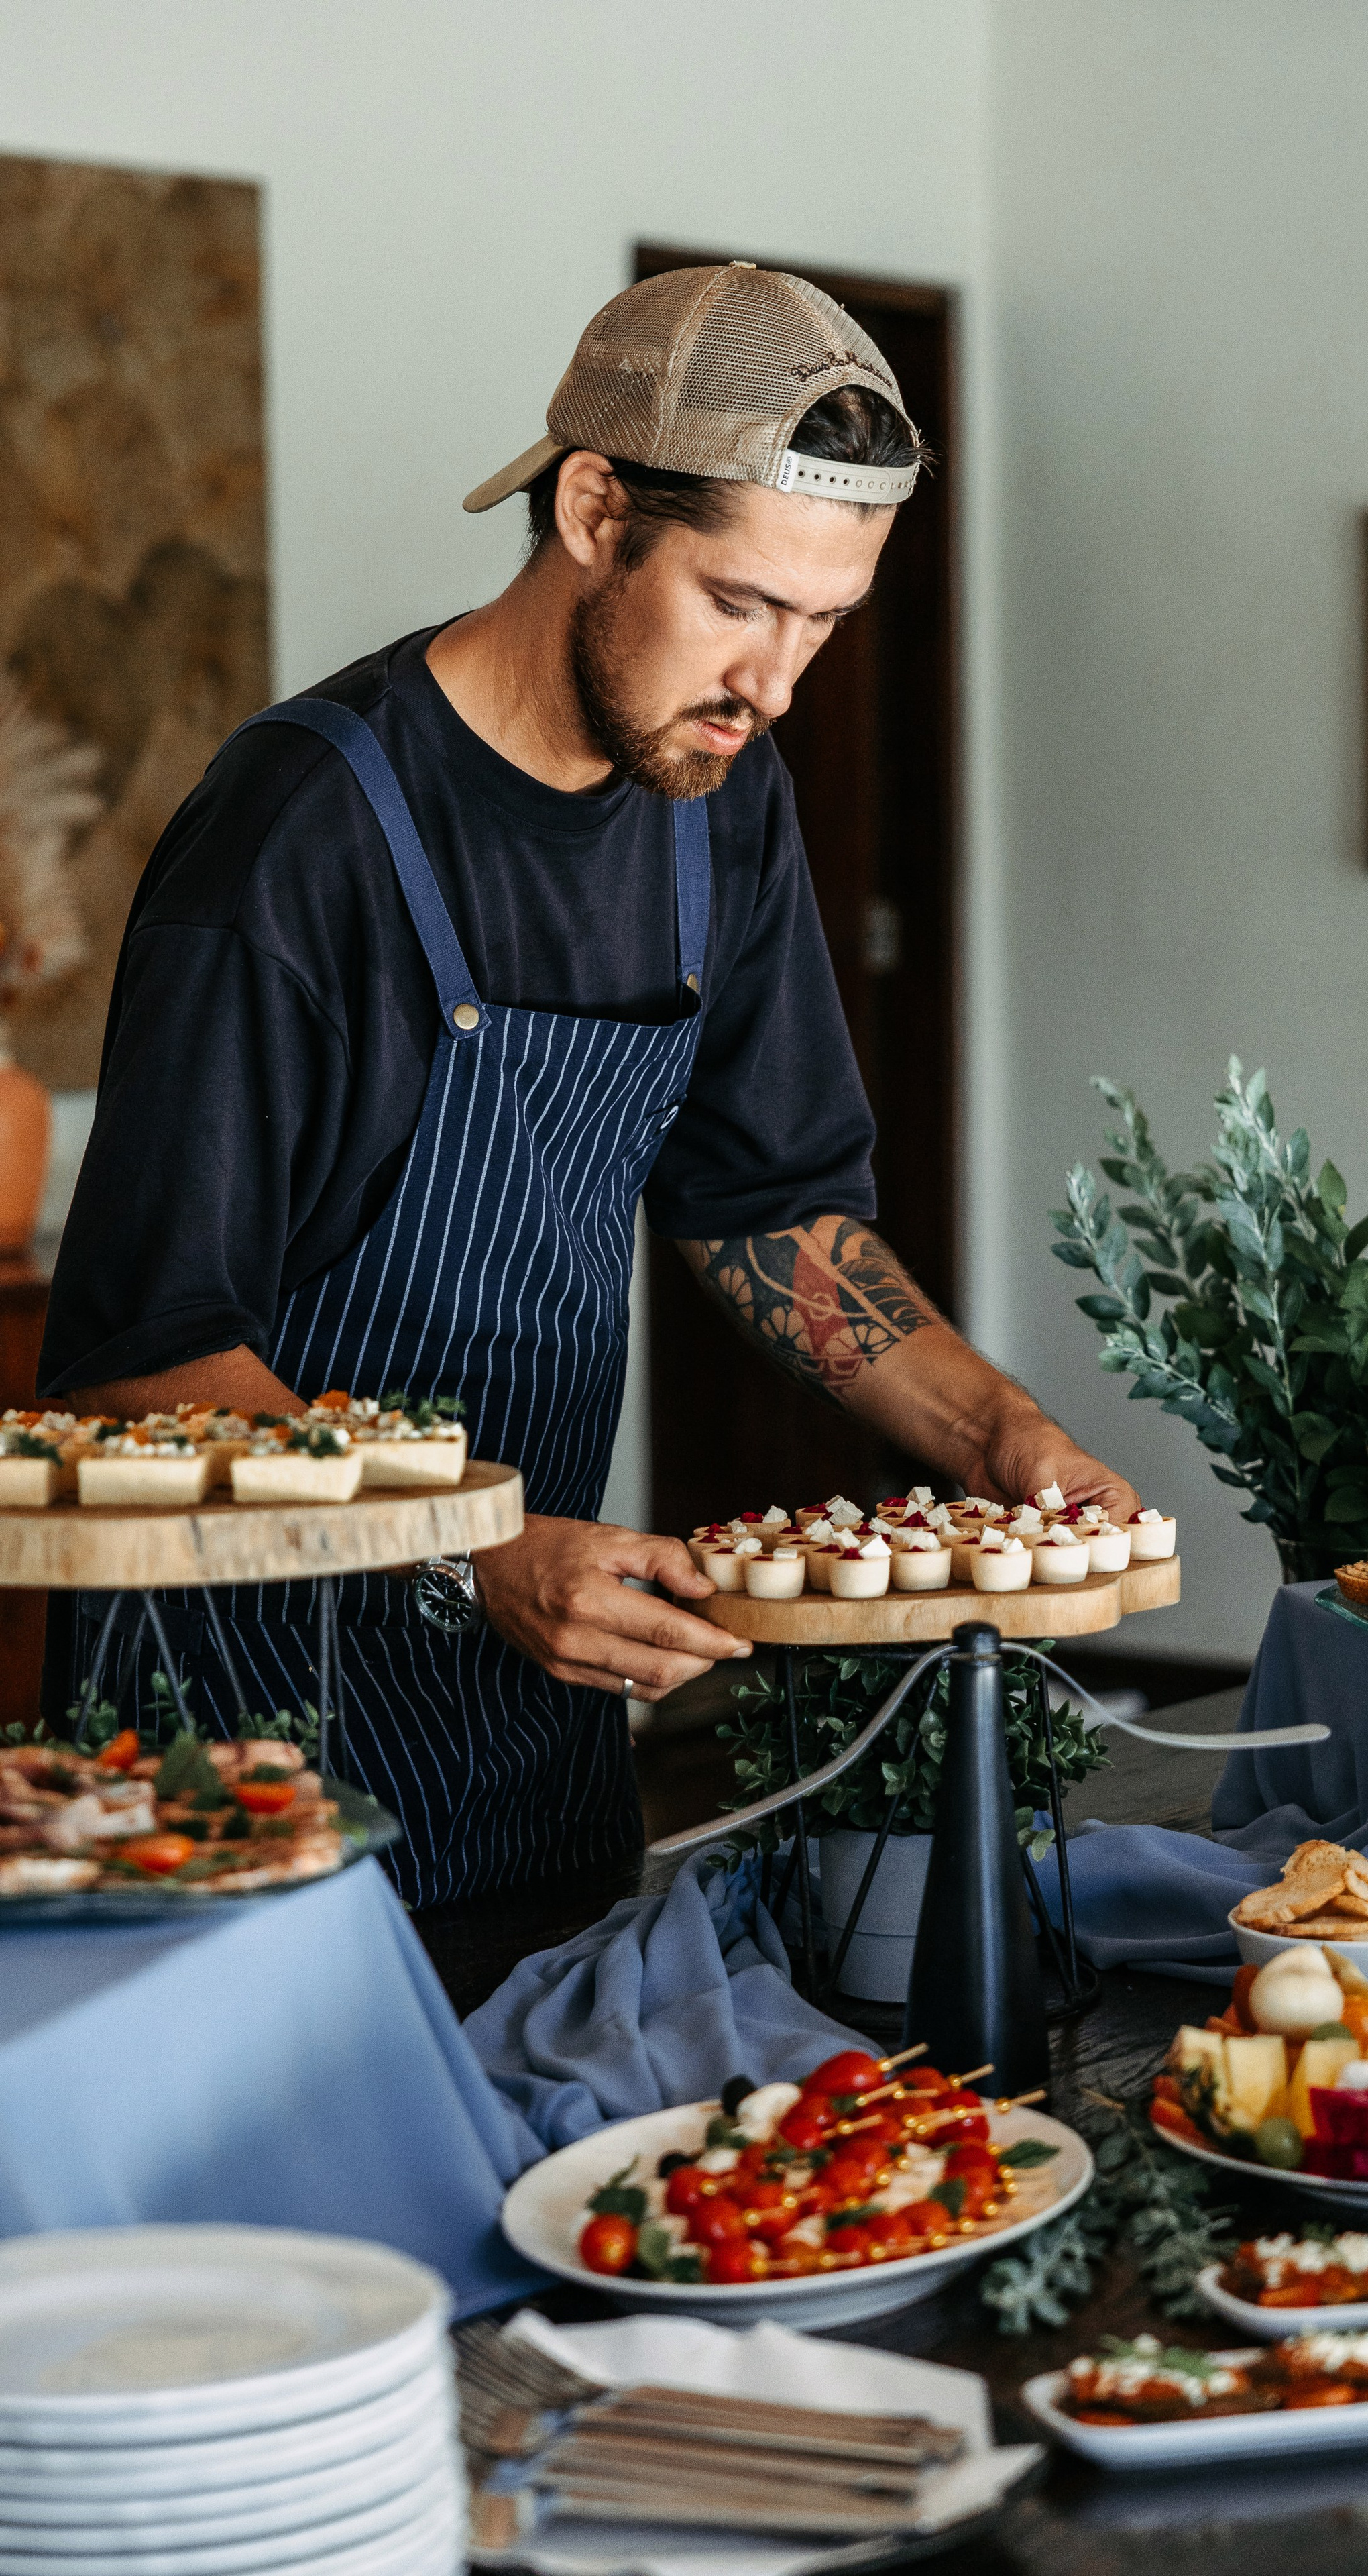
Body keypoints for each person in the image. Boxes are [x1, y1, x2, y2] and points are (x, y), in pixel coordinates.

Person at [41, 263, 1139, 1921]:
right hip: (236, 1734)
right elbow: (145, 1358)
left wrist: (1004, 1436)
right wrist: (474, 1545)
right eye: (740, 604)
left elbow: (773, 1211)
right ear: (592, 507)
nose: (774, 685)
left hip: (534, 1695)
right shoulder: (300, 832)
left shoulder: (717, 797)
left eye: (823, 625)